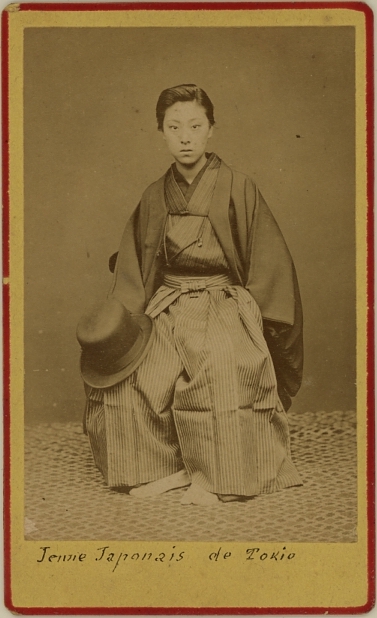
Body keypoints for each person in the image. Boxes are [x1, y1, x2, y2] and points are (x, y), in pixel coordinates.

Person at [82, 84, 303, 506]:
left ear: (211, 130)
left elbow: (267, 259)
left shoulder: (239, 186)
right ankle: (164, 469)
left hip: (223, 303)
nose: (185, 137)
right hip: (167, 302)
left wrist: (255, 317)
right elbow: (135, 266)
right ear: (161, 132)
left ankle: (222, 477)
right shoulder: (153, 195)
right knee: (134, 380)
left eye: (195, 126)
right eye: (174, 127)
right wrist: (127, 325)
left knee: (223, 369)